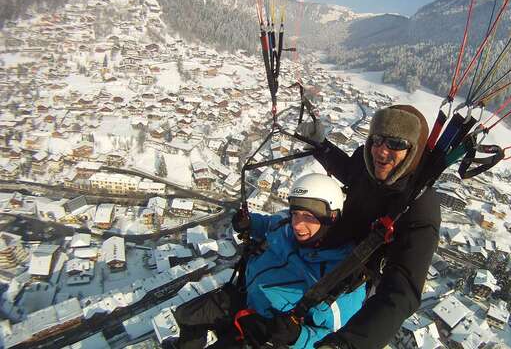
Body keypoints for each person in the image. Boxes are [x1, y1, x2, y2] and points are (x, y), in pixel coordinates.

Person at [297, 105, 441, 349]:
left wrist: (348, 344)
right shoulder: (368, 165)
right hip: (330, 248)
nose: (381, 151)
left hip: (350, 281)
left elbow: (401, 292)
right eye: (377, 140)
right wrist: (321, 146)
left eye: (395, 143)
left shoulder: (420, 208)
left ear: (413, 152)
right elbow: (349, 171)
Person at [173, 173, 366, 349]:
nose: (298, 225)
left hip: (266, 331)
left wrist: (299, 337)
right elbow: (268, 224)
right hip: (246, 297)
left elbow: (340, 340)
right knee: (186, 316)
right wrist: (250, 223)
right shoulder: (286, 226)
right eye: (295, 214)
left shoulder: (343, 277)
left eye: (308, 216)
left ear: (331, 217)